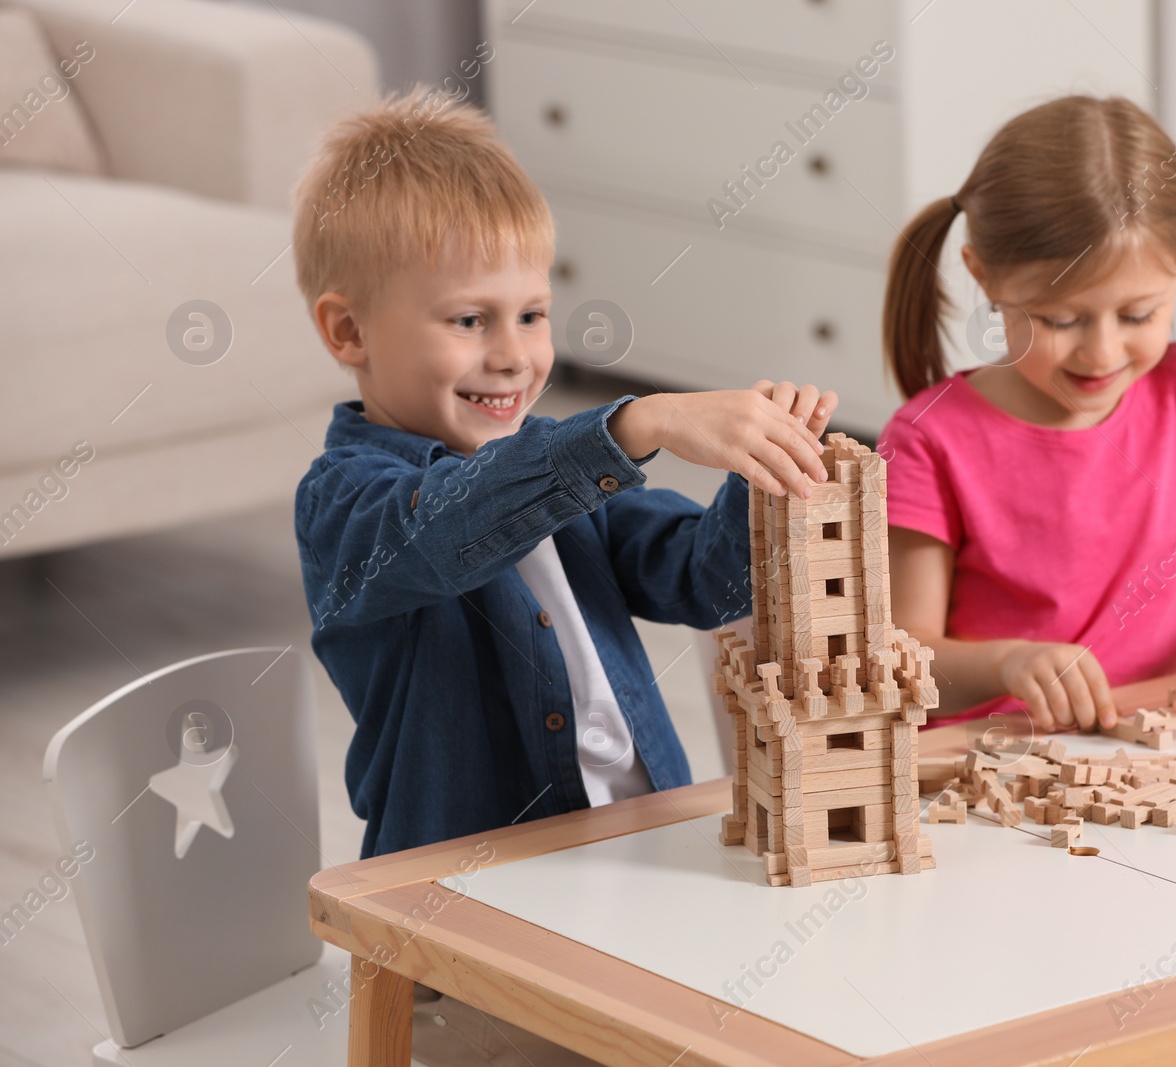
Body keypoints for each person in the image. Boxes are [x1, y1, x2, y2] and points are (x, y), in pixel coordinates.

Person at [289, 88, 834, 1063]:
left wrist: (766, 475)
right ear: (348, 332)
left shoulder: (549, 457)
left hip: (637, 885)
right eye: (469, 319)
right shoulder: (345, 500)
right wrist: (633, 425)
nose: (513, 354)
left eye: (533, 313)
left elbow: (702, 585)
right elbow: (448, 528)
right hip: (468, 937)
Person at [878, 92, 1176, 1067]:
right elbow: (909, 666)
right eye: (1059, 319)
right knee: (1029, 1006)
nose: (1102, 351)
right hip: (993, 793)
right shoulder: (932, 440)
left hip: (1160, 773)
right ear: (981, 275)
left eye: (1137, 314)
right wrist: (1010, 660)